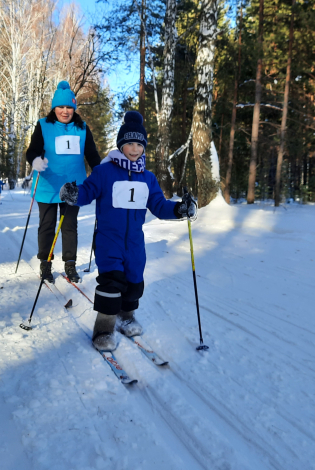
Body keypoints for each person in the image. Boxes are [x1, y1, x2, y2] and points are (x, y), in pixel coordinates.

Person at [59, 111, 197, 351]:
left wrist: (179, 209)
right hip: (108, 241)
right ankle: (103, 329)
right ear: (121, 145)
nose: (134, 149)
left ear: (144, 147)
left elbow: (159, 206)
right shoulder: (104, 172)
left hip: (134, 242)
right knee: (111, 284)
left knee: (134, 282)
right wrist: (73, 194)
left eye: (139, 144)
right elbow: (87, 193)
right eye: (129, 144)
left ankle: (126, 316)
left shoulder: (148, 178)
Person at [25, 81, 101, 283]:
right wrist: (35, 161)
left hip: (74, 187)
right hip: (47, 184)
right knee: (47, 225)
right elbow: (32, 150)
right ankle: (46, 262)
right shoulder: (44, 125)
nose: (65, 111)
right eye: (61, 107)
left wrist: (102, 173)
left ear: (74, 108)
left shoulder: (82, 128)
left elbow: (92, 155)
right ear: (54, 108)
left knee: (69, 226)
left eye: (69, 107)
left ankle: (70, 264)